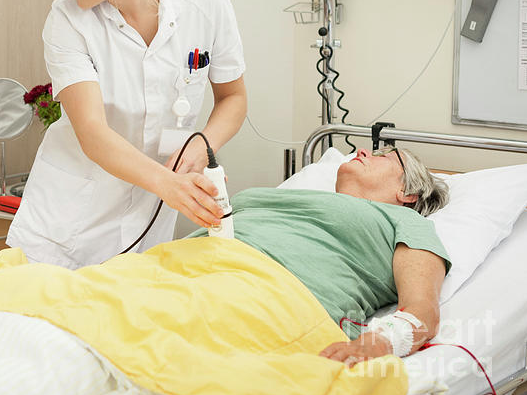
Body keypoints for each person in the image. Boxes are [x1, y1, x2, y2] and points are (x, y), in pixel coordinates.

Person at [7, 0, 248, 269]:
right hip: (62, 228)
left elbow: (233, 98)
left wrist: (204, 142)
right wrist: (171, 185)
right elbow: (93, 134)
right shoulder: (67, 20)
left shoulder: (205, 4)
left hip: (147, 226)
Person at [187, 146, 451, 365]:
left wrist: (380, 342)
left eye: (383, 156)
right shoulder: (298, 197)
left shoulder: (406, 221)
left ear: (407, 193)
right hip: (185, 265)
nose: (362, 151)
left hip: (265, 297)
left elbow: (422, 310)